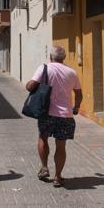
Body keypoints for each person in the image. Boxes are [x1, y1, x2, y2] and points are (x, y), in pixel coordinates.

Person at [25, 45, 83, 187]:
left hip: (47, 113)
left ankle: (44, 167)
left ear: (50, 57)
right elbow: (79, 94)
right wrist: (76, 107)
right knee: (61, 145)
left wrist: (31, 84)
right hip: (65, 115)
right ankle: (58, 177)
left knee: (43, 138)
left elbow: (30, 86)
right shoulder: (72, 72)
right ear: (63, 58)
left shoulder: (44, 68)